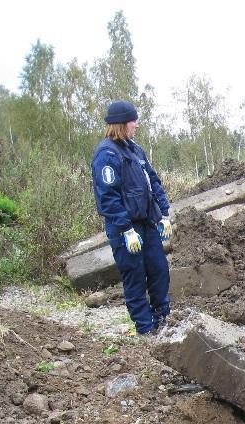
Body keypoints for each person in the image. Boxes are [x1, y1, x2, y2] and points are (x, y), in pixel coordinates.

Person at [91, 100, 174, 336]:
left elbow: (153, 181)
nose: (136, 125)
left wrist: (163, 214)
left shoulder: (135, 150)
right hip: (126, 230)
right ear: (122, 123)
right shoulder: (106, 154)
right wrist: (126, 229)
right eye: (133, 121)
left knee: (159, 271)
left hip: (147, 224)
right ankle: (145, 331)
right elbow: (107, 197)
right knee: (135, 279)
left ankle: (161, 320)